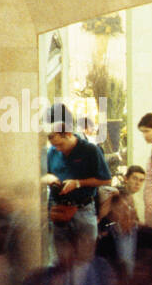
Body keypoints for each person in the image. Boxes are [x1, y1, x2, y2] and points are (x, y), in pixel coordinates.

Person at [42, 103, 112, 256]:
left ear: (68, 133)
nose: (57, 149)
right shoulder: (52, 152)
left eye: (60, 144)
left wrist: (78, 183)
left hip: (83, 211)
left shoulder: (90, 151)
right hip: (59, 211)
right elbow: (44, 175)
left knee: (85, 262)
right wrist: (49, 178)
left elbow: (106, 180)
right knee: (59, 262)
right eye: (54, 145)